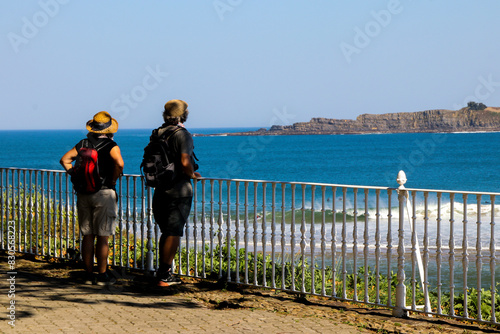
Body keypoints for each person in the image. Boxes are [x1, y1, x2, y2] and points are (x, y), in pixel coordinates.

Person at [60, 111, 124, 285]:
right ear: (109, 129)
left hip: (83, 193)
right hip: (104, 193)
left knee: (87, 235)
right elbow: (120, 164)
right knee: (103, 236)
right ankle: (102, 275)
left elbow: (65, 159)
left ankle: (88, 274)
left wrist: (73, 174)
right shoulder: (112, 146)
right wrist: (113, 178)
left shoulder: (83, 144)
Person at [152, 99, 201, 287]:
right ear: (184, 115)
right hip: (178, 190)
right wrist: (192, 175)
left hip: (160, 188)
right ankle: (164, 276)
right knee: (173, 232)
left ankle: (163, 272)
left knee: (166, 232)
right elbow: (184, 160)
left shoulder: (158, 133)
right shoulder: (183, 134)